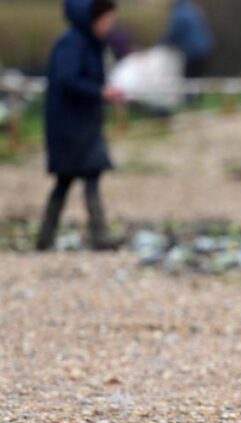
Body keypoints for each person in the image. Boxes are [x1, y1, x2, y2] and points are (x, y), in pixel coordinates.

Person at [38, 0, 125, 251]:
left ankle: (58, 237)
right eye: (106, 20)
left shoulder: (91, 42)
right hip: (68, 125)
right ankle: (50, 237)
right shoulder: (72, 43)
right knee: (69, 179)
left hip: (84, 123)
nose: (109, 25)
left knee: (89, 174)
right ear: (93, 18)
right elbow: (67, 80)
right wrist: (99, 92)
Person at [163, 0, 213, 98]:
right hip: (205, 47)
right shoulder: (191, 9)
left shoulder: (180, 14)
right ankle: (196, 100)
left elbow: (174, 33)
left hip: (193, 50)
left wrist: (164, 43)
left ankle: (190, 100)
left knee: (189, 79)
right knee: (197, 78)